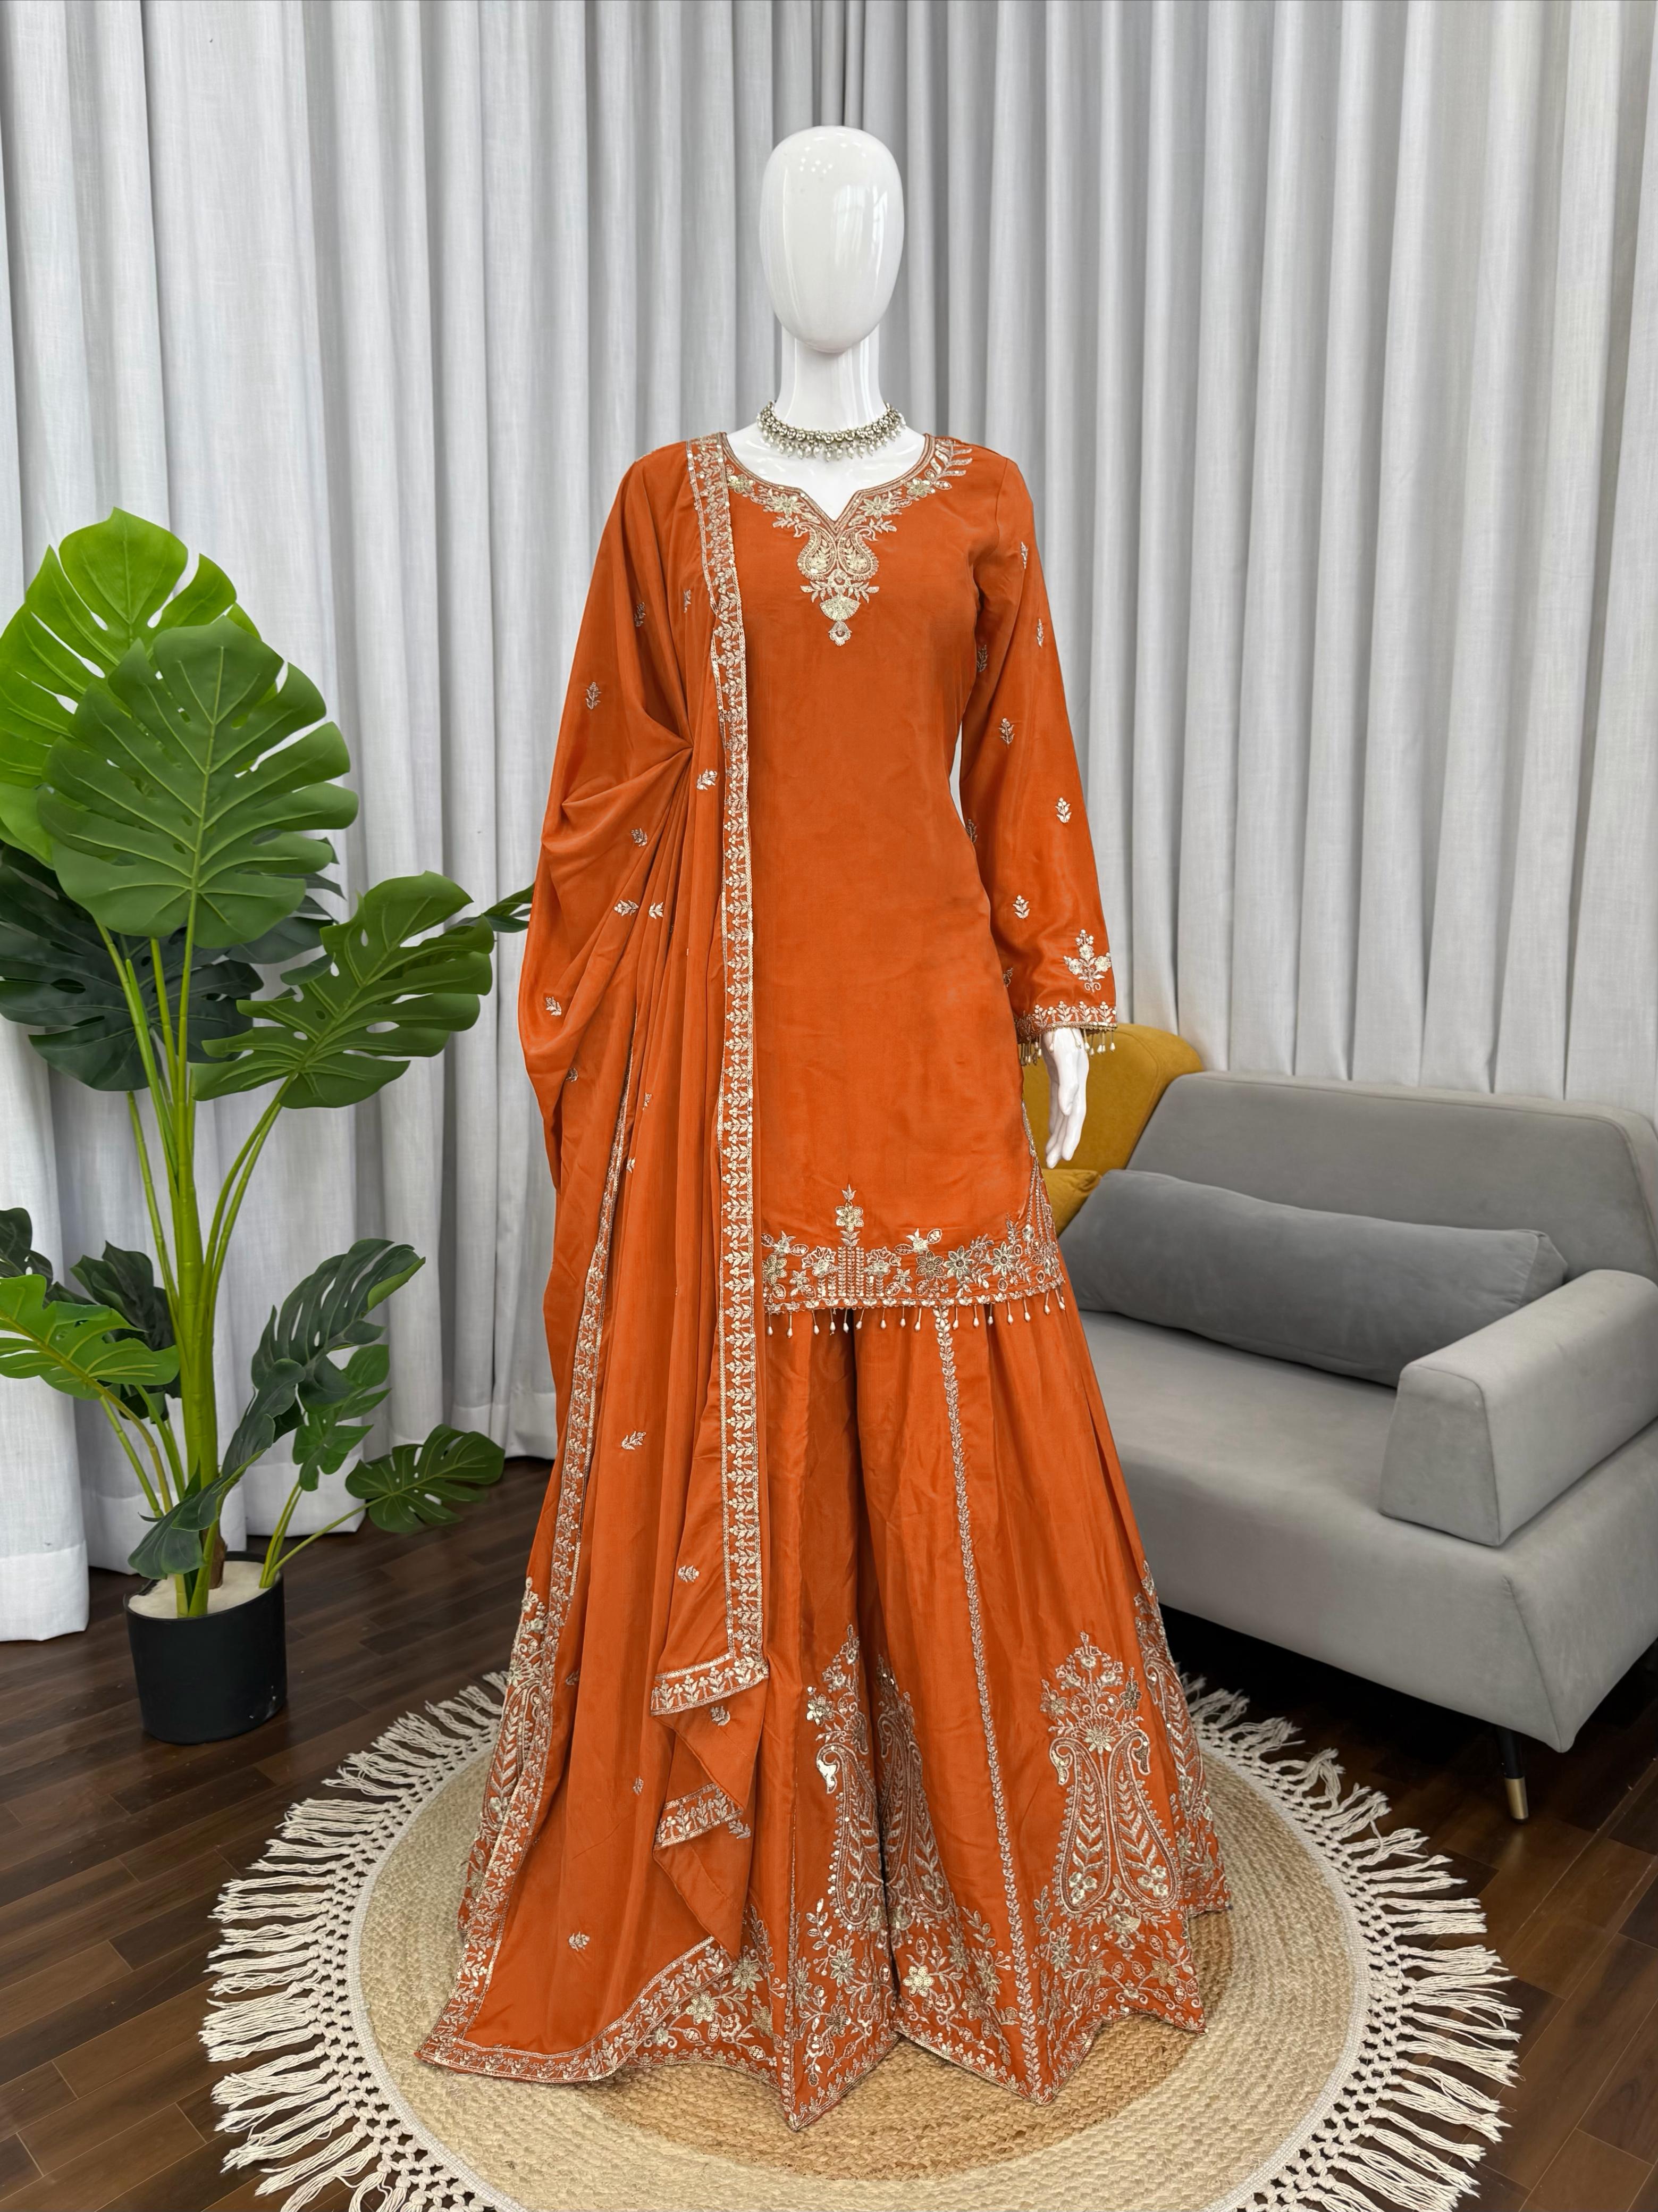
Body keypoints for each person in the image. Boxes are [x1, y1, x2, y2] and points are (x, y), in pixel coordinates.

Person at [420, 124, 1226, 2129]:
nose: (834, 246)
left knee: (969, 1432)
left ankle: (997, 1890)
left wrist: (1064, 1000)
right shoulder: (666, 503)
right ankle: (765, 1887)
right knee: (760, 1437)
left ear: (906, 245)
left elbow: (1023, 762)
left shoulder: (984, 499)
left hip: (936, 1027)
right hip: (742, 1061)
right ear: (759, 244)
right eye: (803, 213)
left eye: (864, 214)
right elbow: (605, 796)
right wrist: (645, 1014)